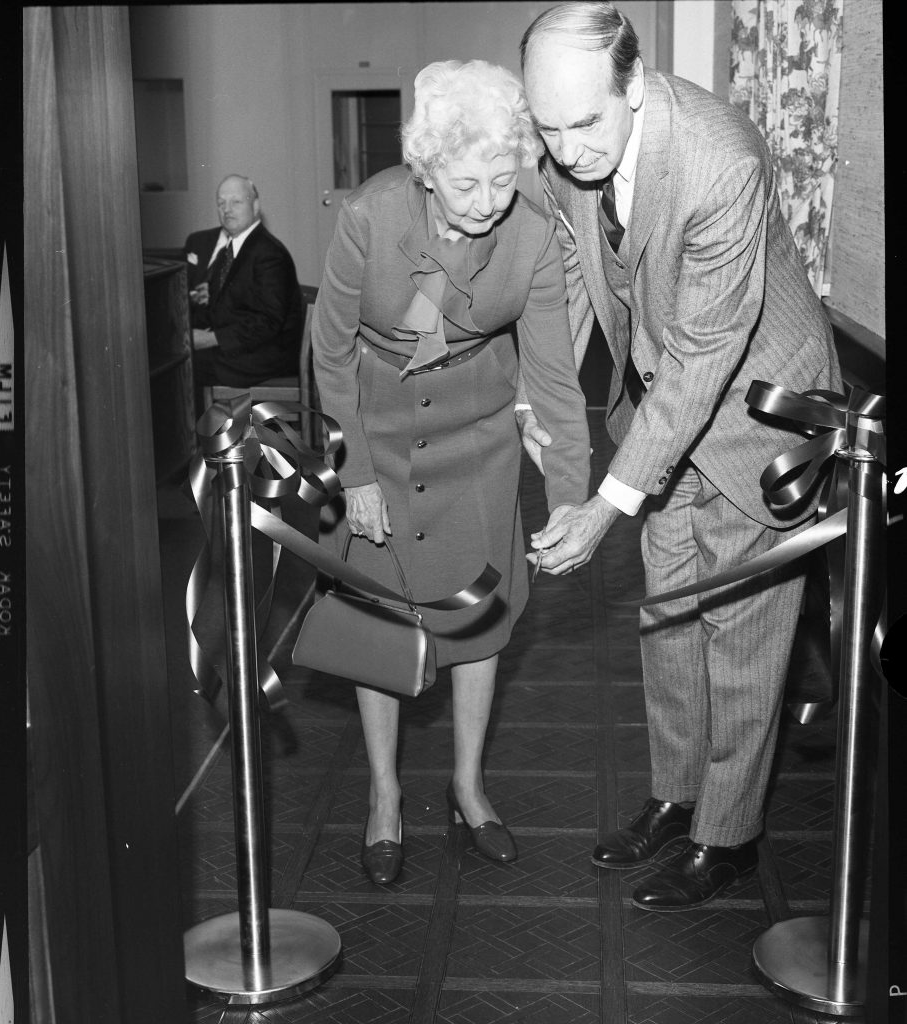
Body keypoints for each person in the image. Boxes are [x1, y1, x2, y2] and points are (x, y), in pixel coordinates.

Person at [519, 2, 842, 911]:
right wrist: (537, 394)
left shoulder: (719, 158)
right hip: (664, 411)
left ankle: (729, 836)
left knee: (740, 634)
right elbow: (582, 274)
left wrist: (609, 501)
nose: (566, 149)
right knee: (666, 615)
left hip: (757, 422)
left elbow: (707, 352)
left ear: (634, 85)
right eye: (547, 127)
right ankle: (677, 795)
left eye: (583, 124)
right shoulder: (570, 145)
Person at [312, 59, 591, 885]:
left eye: (502, 181)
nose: (484, 202)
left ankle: (469, 785)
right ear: (426, 168)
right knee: (377, 621)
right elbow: (328, 351)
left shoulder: (533, 232)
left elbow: (552, 378)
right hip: (376, 434)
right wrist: (354, 470)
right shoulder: (369, 215)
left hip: (479, 439)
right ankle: (385, 797)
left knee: (479, 623)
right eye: (465, 184)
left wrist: (573, 500)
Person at [184, 174, 303, 411]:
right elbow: (226, 306)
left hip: (269, 354)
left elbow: (269, 321)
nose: (227, 210)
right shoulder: (233, 247)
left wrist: (209, 338)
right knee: (179, 356)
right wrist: (186, 333)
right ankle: (205, 439)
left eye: (236, 202)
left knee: (184, 364)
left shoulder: (269, 253)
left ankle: (198, 442)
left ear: (255, 206)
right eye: (221, 203)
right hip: (246, 347)